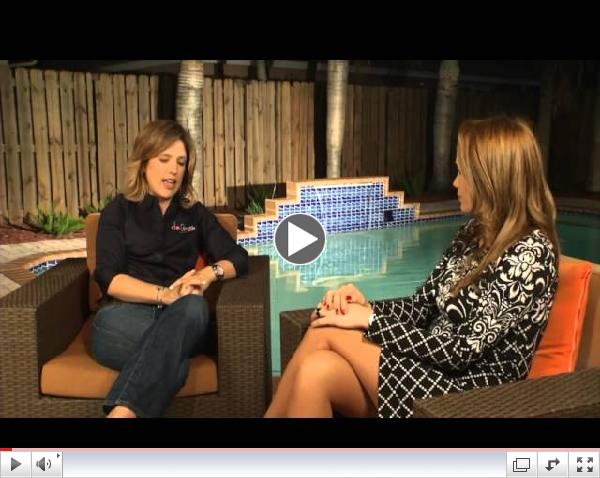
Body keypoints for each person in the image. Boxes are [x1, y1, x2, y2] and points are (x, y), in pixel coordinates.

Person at [265, 116, 560, 418]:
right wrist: (363, 306)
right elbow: (422, 306)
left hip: (472, 395)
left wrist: (371, 320)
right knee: (315, 371)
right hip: (432, 370)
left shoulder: (531, 254)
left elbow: (460, 350)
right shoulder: (473, 234)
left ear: (490, 179)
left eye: (462, 172)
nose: (455, 182)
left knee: (328, 330)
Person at [92, 120, 248, 418]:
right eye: (164, 159)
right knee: (175, 362)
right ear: (144, 163)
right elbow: (108, 278)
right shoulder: (119, 211)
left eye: (180, 162)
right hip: (122, 319)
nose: (174, 170)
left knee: (194, 308)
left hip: (182, 315)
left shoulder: (194, 214)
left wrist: (205, 275)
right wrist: (165, 294)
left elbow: (238, 257)